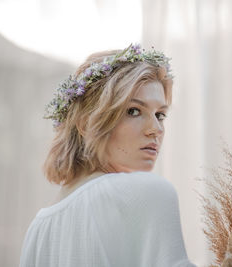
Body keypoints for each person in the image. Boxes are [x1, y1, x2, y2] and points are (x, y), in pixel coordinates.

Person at [19, 44, 196, 267]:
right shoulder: (148, 191)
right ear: (86, 123)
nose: (156, 129)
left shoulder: (38, 230)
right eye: (134, 111)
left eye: (160, 115)